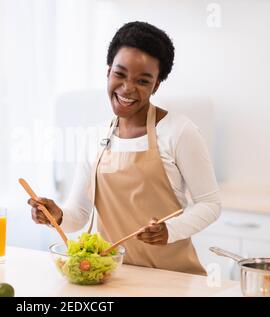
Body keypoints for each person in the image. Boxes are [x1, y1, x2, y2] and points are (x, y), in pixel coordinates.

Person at [27, 21, 221, 275]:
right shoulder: (94, 137)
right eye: (120, 74)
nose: (128, 88)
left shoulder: (180, 132)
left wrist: (170, 230)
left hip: (172, 279)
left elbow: (210, 204)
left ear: (156, 85)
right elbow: (81, 213)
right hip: (114, 277)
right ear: (108, 72)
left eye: (142, 80)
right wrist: (58, 215)